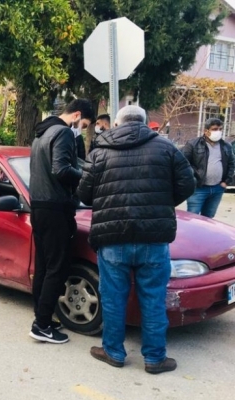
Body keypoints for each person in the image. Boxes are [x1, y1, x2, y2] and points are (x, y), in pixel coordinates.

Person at [77, 105, 195, 374]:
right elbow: (188, 184)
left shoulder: (100, 151)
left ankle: (113, 352)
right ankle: (155, 358)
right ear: (144, 122)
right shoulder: (167, 148)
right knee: (153, 299)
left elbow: (84, 195)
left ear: (117, 124)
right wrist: (161, 204)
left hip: (112, 236)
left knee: (113, 298)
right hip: (153, 237)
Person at [28, 98, 95, 344]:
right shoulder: (63, 132)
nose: (82, 129)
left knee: (44, 267)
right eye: (84, 124)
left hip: (39, 207)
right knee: (57, 268)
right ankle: (42, 326)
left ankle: (41, 316)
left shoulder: (41, 134)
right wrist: (87, 175)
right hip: (56, 208)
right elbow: (62, 169)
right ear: (76, 115)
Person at [182, 118, 234, 218]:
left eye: (220, 129)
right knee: (193, 217)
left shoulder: (226, 146)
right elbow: (184, 163)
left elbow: (231, 164)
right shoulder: (193, 144)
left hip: (217, 188)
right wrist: (194, 179)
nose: (218, 132)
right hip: (198, 188)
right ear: (206, 131)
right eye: (214, 129)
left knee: (209, 219)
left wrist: (226, 182)